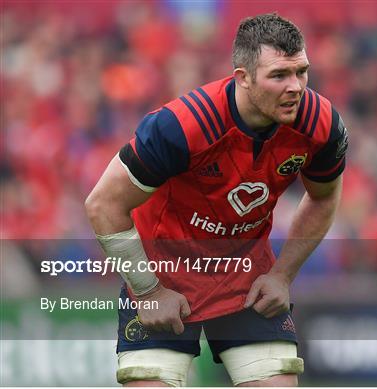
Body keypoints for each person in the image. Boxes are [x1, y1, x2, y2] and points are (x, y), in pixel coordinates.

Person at [86, 13, 348, 387]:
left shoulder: (319, 124)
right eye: (279, 76)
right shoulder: (180, 127)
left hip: (246, 277)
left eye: (301, 72)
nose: (295, 87)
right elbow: (102, 204)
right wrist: (147, 290)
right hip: (164, 275)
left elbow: (323, 198)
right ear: (242, 77)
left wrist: (282, 275)